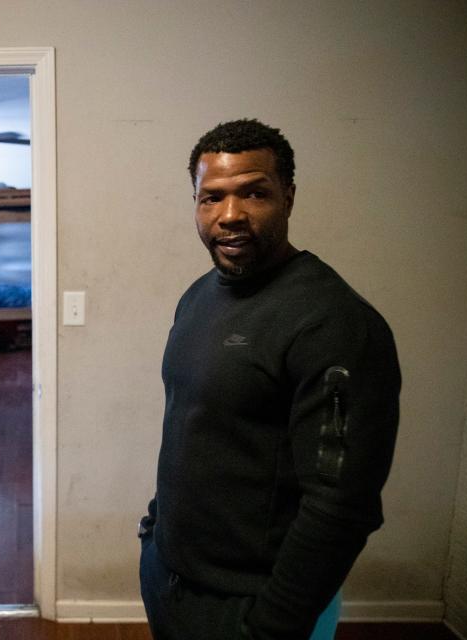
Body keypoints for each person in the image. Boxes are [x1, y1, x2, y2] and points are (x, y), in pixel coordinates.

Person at [138, 119, 401, 640]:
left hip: (252, 609)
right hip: (170, 578)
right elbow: (192, 427)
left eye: (253, 193)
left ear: (289, 196)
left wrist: (274, 626)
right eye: (210, 198)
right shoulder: (198, 296)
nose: (229, 216)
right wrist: (155, 534)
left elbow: (342, 506)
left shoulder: (334, 323)